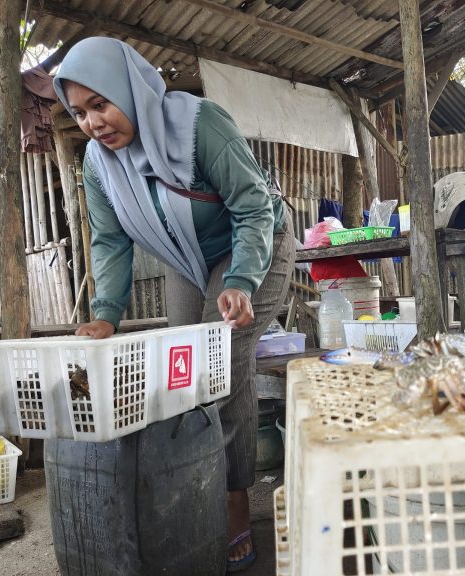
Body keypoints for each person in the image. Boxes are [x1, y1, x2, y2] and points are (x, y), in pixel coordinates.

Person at [53, 37, 295, 572]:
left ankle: (234, 501)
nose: (92, 123)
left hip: (257, 244)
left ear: (129, 90)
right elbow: (109, 240)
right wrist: (106, 314)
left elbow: (253, 206)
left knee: (219, 363)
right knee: (184, 377)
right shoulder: (97, 163)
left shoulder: (199, 125)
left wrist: (241, 281)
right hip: (187, 258)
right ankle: (196, 485)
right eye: (80, 112)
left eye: (100, 104)